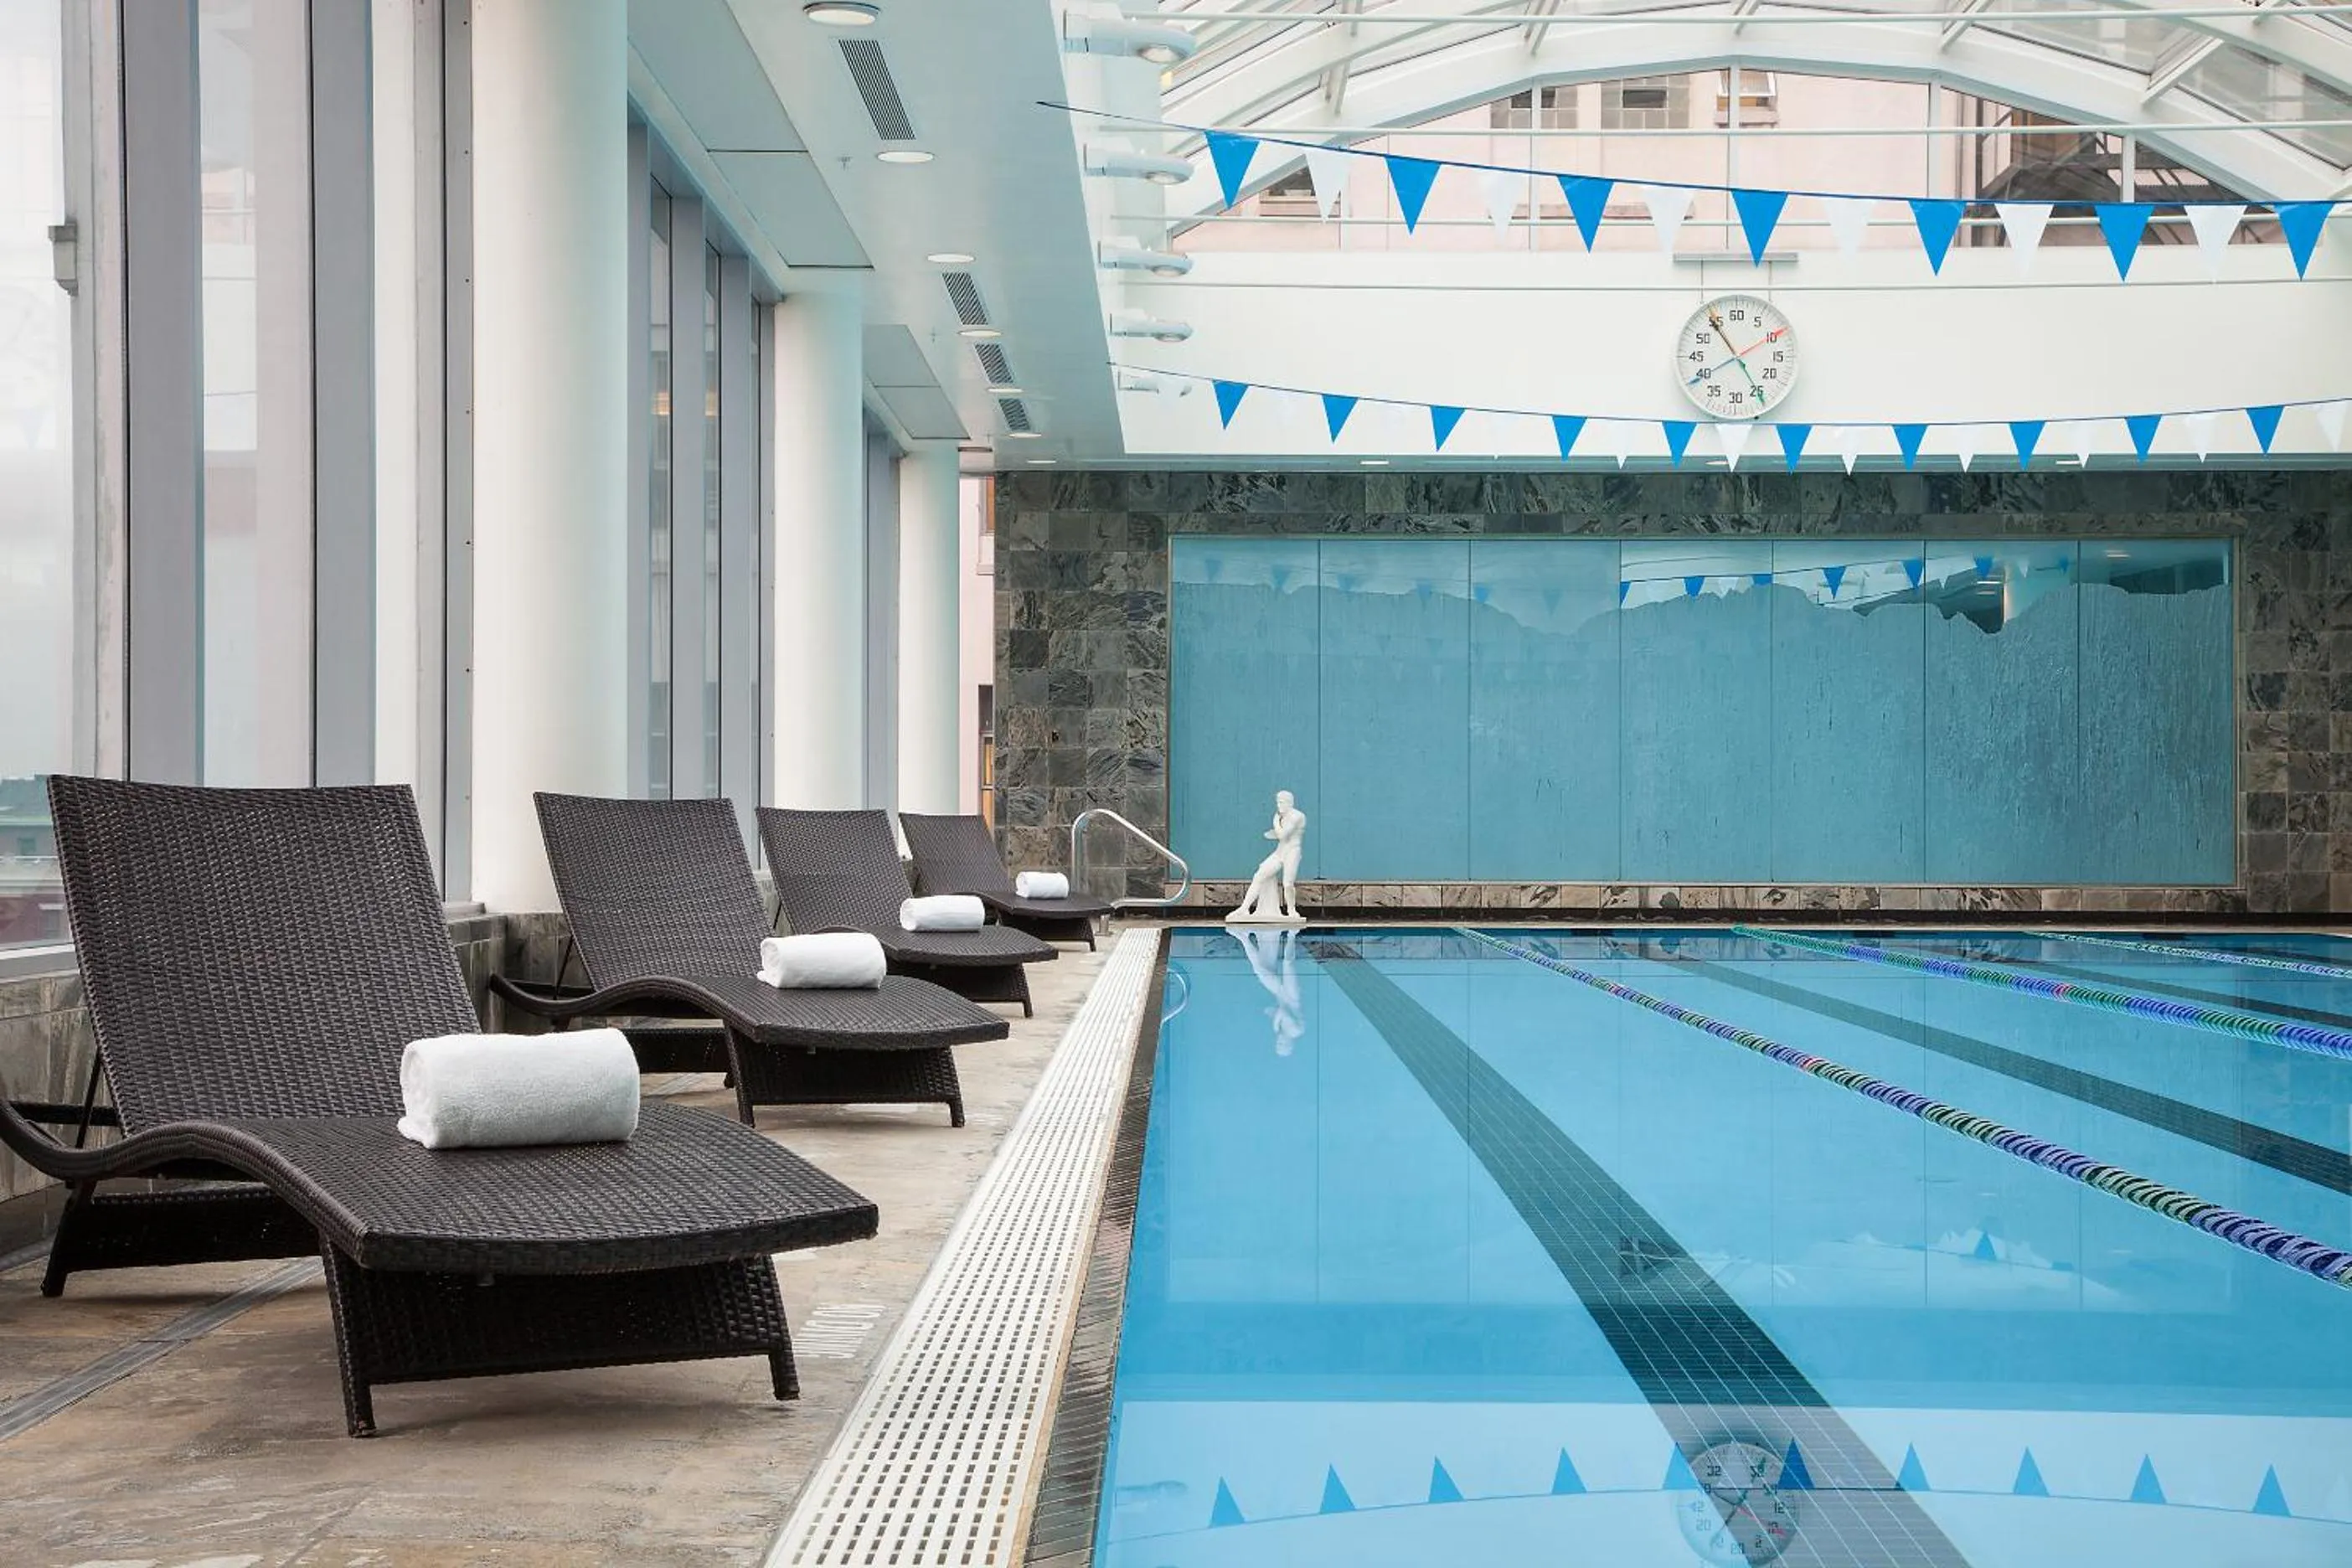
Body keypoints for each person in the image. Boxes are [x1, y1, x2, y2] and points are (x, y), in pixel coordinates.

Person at [1227, 790, 1306, 924]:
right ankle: (1244, 908)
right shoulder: (1282, 816)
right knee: (1259, 875)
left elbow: (1283, 835)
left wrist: (1275, 821)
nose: (1279, 805)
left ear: (1290, 803)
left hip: (1292, 852)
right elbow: (1281, 836)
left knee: (1288, 884)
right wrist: (1274, 832)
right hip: (1280, 852)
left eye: (1281, 802)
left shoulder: (1296, 816)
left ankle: (1291, 910)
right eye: (1278, 802)